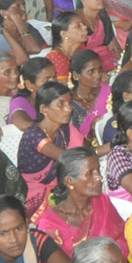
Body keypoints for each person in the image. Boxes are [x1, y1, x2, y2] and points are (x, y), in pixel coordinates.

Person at [36, 147, 127, 259]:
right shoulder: (50, 224)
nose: (99, 177)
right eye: (90, 173)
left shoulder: (102, 201)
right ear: (69, 181)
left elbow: (122, 237)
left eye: (98, 170)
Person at [18, 80, 85, 212]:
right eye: (61, 104)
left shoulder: (66, 129)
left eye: (69, 103)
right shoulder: (33, 135)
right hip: (33, 194)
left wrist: (111, 146)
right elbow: (68, 158)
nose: (69, 108)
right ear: (44, 109)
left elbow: (82, 154)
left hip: (59, 188)